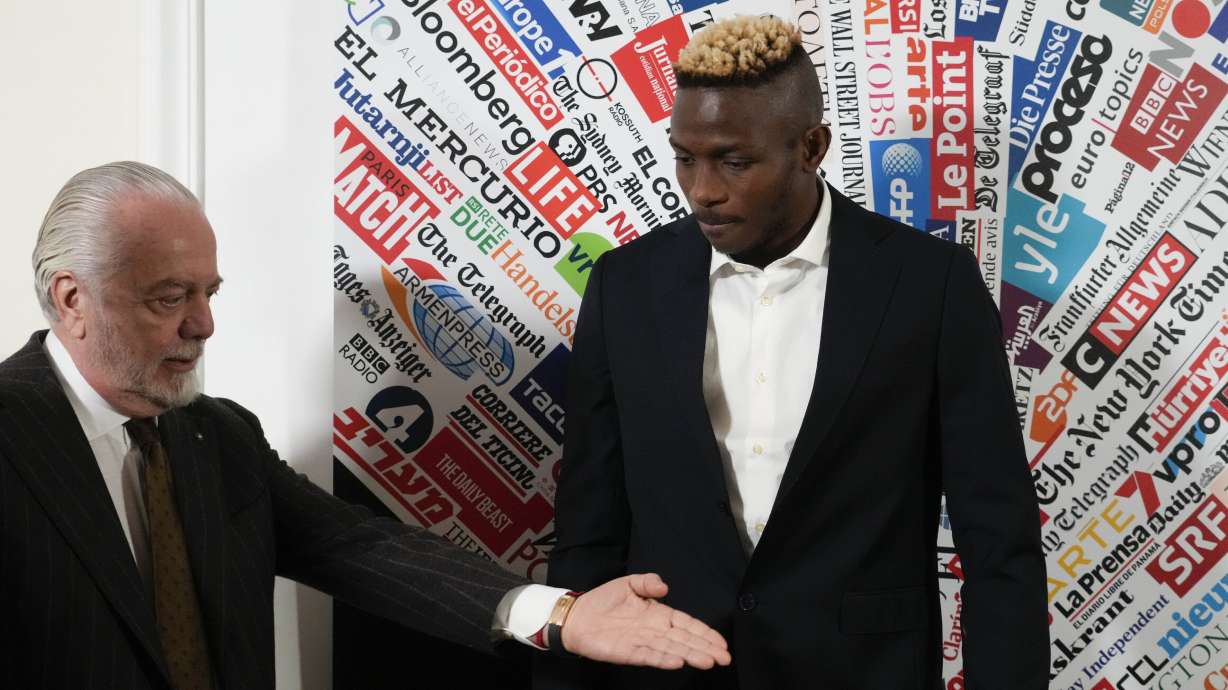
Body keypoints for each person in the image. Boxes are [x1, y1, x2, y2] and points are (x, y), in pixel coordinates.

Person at [0, 161, 732, 690]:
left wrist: (559, 616)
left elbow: (362, 550)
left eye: (210, 292)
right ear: (72, 299)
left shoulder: (216, 437)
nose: (204, 324)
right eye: (169, 298)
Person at [536, 15, 1048, 690]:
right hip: (666, 672)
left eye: (734, 161)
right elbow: (588, 525)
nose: (702, 189)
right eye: (685, 157)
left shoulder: (931, 286)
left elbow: (999, 539)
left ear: (811, 148)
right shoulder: (626, 285)